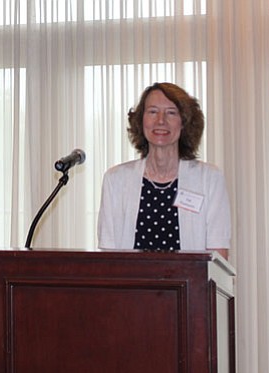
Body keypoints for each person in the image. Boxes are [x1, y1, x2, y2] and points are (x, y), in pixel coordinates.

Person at [97, 82, 231, 259]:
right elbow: (108, 256)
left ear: (184, 123)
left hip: (191, 285)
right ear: (141, 121)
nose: (161, 120)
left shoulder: (210, 178)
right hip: (133, 285)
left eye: (171, 112)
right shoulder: (115, 180)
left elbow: (218, 257)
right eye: (152, 111)